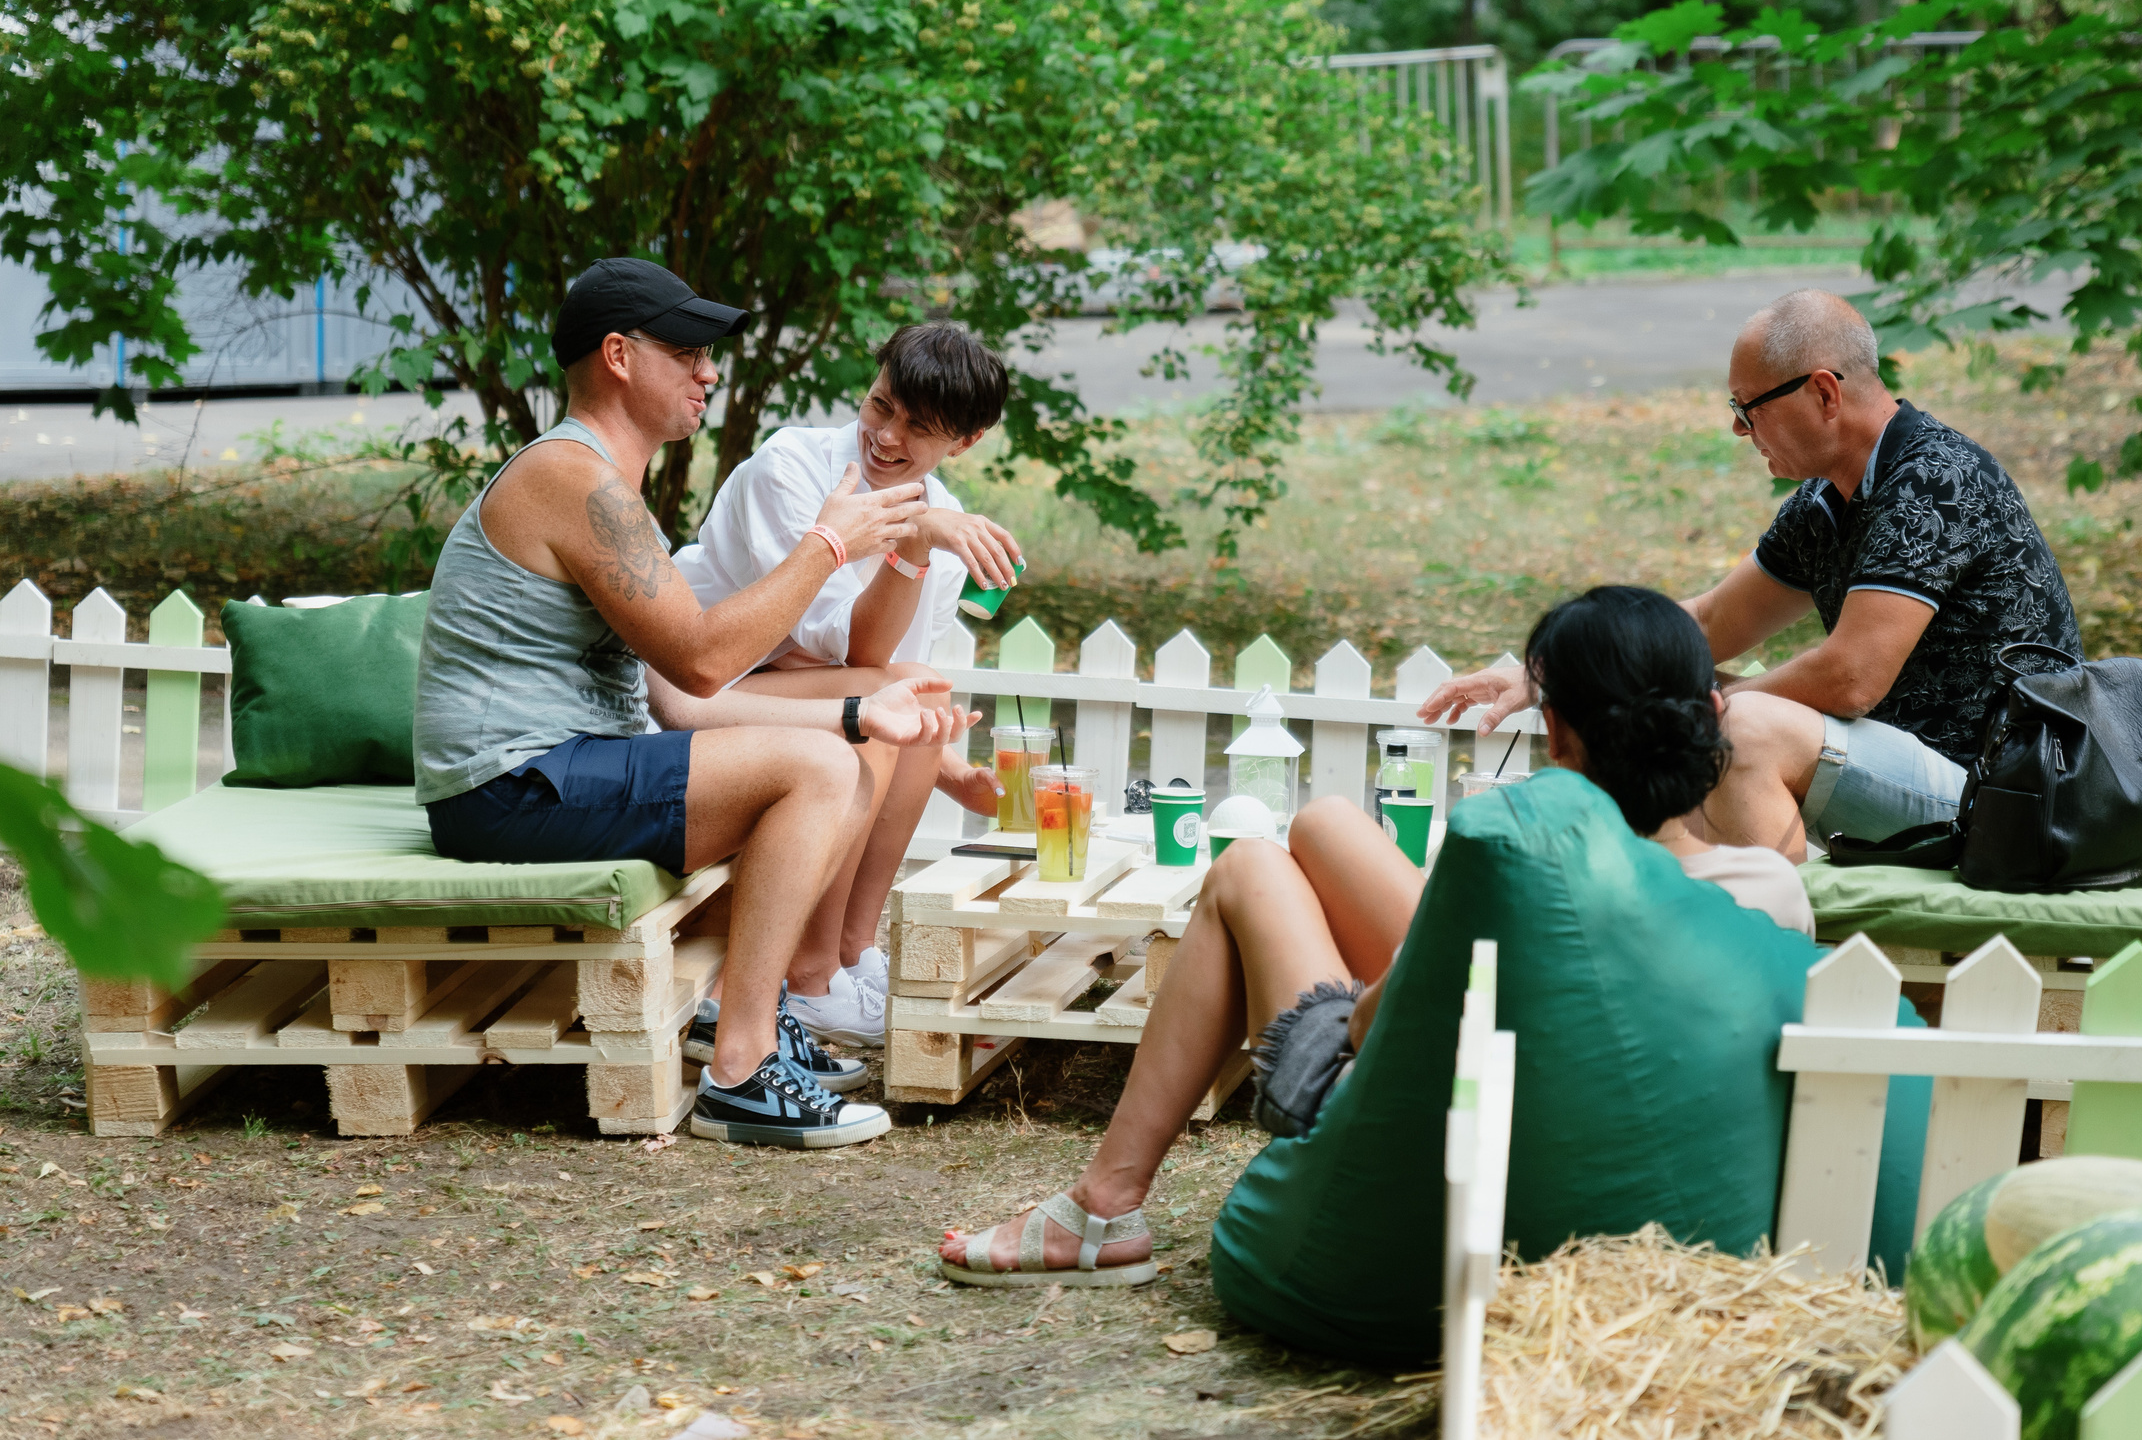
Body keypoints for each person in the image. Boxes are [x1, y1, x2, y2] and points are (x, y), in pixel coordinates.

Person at [932, 585, 1805, 1284]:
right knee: (1324, 824)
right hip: (1602, 1151)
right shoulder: (1769, 889)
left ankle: (1103, 1203)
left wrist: (1430, 948)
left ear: (1555, 731)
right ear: (1714, 711)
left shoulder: (1526, 874)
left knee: (1248, 869)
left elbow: (1365, 1025)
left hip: (1418, 1132)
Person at [410, 256, 979, 1149]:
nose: (709, 372)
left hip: (561, 768)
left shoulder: (604, 481)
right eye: (686, 353)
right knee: (819, 773)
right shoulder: (571, 477)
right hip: (512, 785)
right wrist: (830, 544)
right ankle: (742, 1070)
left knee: (836, 756)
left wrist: (854, 716)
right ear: (618, 356)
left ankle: (739, 1014)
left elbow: (678, 703)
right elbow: (706, 658)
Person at [1421, 288, 2080, 860]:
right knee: (1696, 700)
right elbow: (1711, 621)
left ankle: (1762, 933)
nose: (1740, 429)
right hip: (1928, 772)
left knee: (1734, 727)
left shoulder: (1934, 481)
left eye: (1748, 407)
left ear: (1824, 392)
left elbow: (1850, 678)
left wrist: (1708, 707)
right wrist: (1555, 671)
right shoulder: (1824, 502)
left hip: (2008, 791)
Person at [648, 322, 1022, 1051]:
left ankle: (853, 950)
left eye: (918, 428)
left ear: (964, 441)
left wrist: (958, 777)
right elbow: (851, 651)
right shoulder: (790, 468)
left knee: (916, 692)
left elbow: (875, 672)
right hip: (694, 694)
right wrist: (914, 540)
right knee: (885, 701)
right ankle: (811, 976)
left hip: (780, 692)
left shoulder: (943, 526)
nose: (885, 436)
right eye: (881, 405)